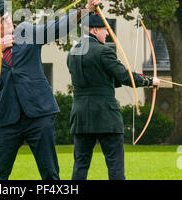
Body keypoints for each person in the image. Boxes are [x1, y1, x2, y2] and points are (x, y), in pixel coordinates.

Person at [0, 0, 101, 180]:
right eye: (1, 22)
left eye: (6, 18)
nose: (8, 23)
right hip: (7, 117)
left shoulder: (26, 31)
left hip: (39, 114)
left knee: (49, 173)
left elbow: (56, 28)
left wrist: (86, 10)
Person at [66, 12, 160, 180]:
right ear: (95, 30)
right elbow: (125, 77)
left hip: (80, 115)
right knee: (115, 165)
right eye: (105, 29)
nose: (108, 33)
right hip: (105, 115)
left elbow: (98, 78)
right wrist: (150, 81)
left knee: (80, 165)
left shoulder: (71, 53)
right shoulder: (103, 51)